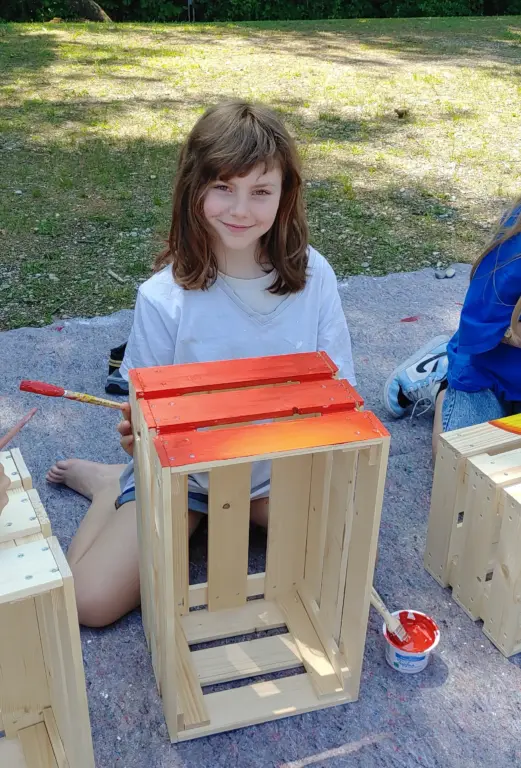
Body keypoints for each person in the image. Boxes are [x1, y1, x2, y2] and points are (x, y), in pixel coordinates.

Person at [46, 101, 357, 628]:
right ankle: (109, 487)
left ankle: (142, 492)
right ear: (195, 188)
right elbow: (143, 420)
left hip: (274, 476)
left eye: (261, 190)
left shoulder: (315, 274)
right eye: (223, 187)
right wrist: (136, 439)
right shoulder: (162, 298)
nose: (241, 209)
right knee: (88, 604)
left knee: (343, 561)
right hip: (185, 479)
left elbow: (340, 390)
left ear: (285, 195)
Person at [384, 196, 521, 457]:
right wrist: (513, 333)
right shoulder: (515, 246)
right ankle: (442, 377)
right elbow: (477, 325)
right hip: (489, 371)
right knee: (463, 468)